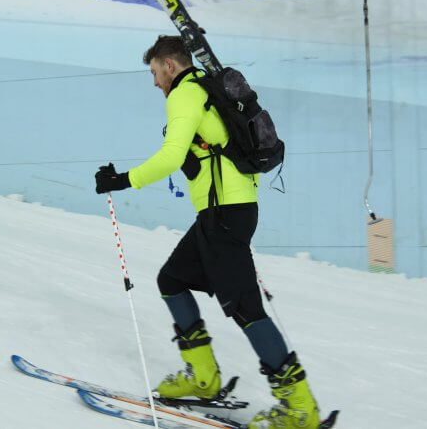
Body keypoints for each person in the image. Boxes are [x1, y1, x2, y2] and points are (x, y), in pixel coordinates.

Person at [94, 35, 321, 428]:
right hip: (223, 213)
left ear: (169, 64)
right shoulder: (207, 89)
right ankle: (203, 378)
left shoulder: (185, 93)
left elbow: (170, 157)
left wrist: (121, 180)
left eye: (154, 72)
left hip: (225, 214)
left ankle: (299, 408)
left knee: (246, 309)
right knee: (172, 279)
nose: (154, 83)